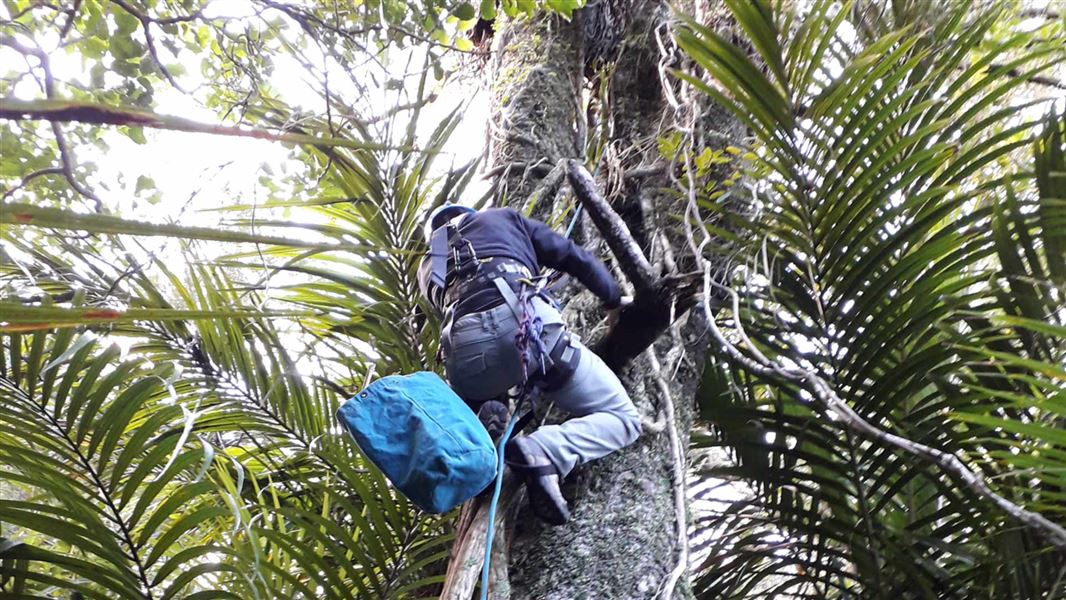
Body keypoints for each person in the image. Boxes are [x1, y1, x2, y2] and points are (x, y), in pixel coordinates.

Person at [417, 203, 641, 525]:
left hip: (465, 356)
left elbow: (475, 315)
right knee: (623, 418)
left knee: (482, 374)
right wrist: (612, 298)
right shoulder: (500, 218)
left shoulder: (429, 266)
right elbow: (571, 255)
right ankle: (546, 449)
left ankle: (489, 430)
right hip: (528, 331)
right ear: (469, 213)